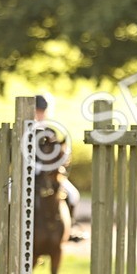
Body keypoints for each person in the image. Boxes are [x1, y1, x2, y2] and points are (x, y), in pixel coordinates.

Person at [34, 96, 83, 242]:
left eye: (42, 111)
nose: (39, 114)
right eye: (37, 111)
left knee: (74, 195)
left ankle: (70, 227)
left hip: (48, 175)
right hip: (26, 173)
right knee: (9, 194)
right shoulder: (25, 129)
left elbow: (56, 155)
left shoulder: (50, 132)